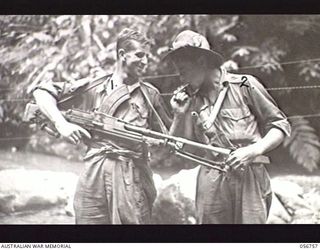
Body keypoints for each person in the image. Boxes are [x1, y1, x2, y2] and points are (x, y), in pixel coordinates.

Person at [32, 28, 172, 224]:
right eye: (139, 55)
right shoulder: (93, 87)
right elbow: (41, 92)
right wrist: (61, 123)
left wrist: (181, 114)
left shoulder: (151, 95)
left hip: (132, 176)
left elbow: (171, 137)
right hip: (93, 175)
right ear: (122, 55)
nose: (145, 62)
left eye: (147, 57)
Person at [167, 30, 291, 224]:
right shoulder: (189, 101)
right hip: (211, 178)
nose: (181, 78)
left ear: (201, 61)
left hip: (249, 173)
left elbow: (280, 125)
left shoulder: (244, 85)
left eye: (184, 71)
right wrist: (178, 116)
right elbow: (184, 153)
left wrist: (253, 151)